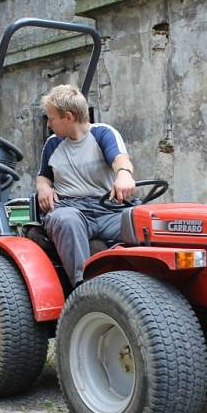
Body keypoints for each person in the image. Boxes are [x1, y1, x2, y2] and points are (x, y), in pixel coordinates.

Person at [36, 84, 136, 287]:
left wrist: (124, 175)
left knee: (144, 222)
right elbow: (43, 176)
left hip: (108, 210)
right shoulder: (53, 144)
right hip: (71, 209)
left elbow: (120, 160)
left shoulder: (103, 134)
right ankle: (83, 287)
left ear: (69, 117)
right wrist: (44, 188)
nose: (49, 124)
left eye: (52, 118)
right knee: (66, 220)